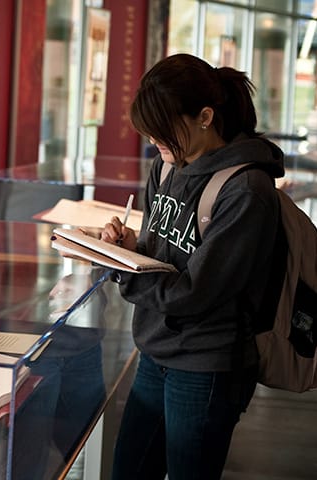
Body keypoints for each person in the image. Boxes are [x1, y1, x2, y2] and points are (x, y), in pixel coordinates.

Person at [99, 53, 285, 479]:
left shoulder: (247, 190)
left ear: (205, 116)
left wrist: (125, 273)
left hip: (207, 365)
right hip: (155, 348)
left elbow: (196, 291)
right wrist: (125, 248)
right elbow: (159, 252)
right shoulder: (166, 166)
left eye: (163, 133)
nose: (155, 144)